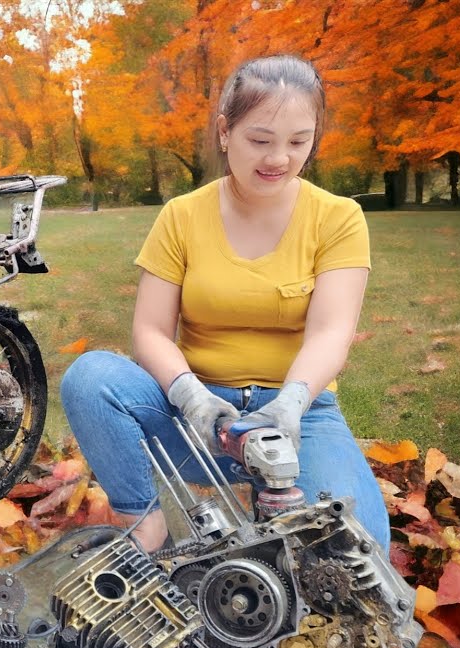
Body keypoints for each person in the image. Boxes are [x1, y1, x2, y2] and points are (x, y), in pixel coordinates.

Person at [60, 54, 389, 553]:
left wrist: (292, 403)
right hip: (198, 415)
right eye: (260, 140)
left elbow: (330, 332)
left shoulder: (338, 218)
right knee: (91, 378)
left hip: (299, 416)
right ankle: (144, 527)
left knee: (358, 549)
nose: (278, 158)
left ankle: (279, 502)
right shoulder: (182, 216)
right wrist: (192, 397)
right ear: (224, 132)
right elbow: (149, 331)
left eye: (298, 142)